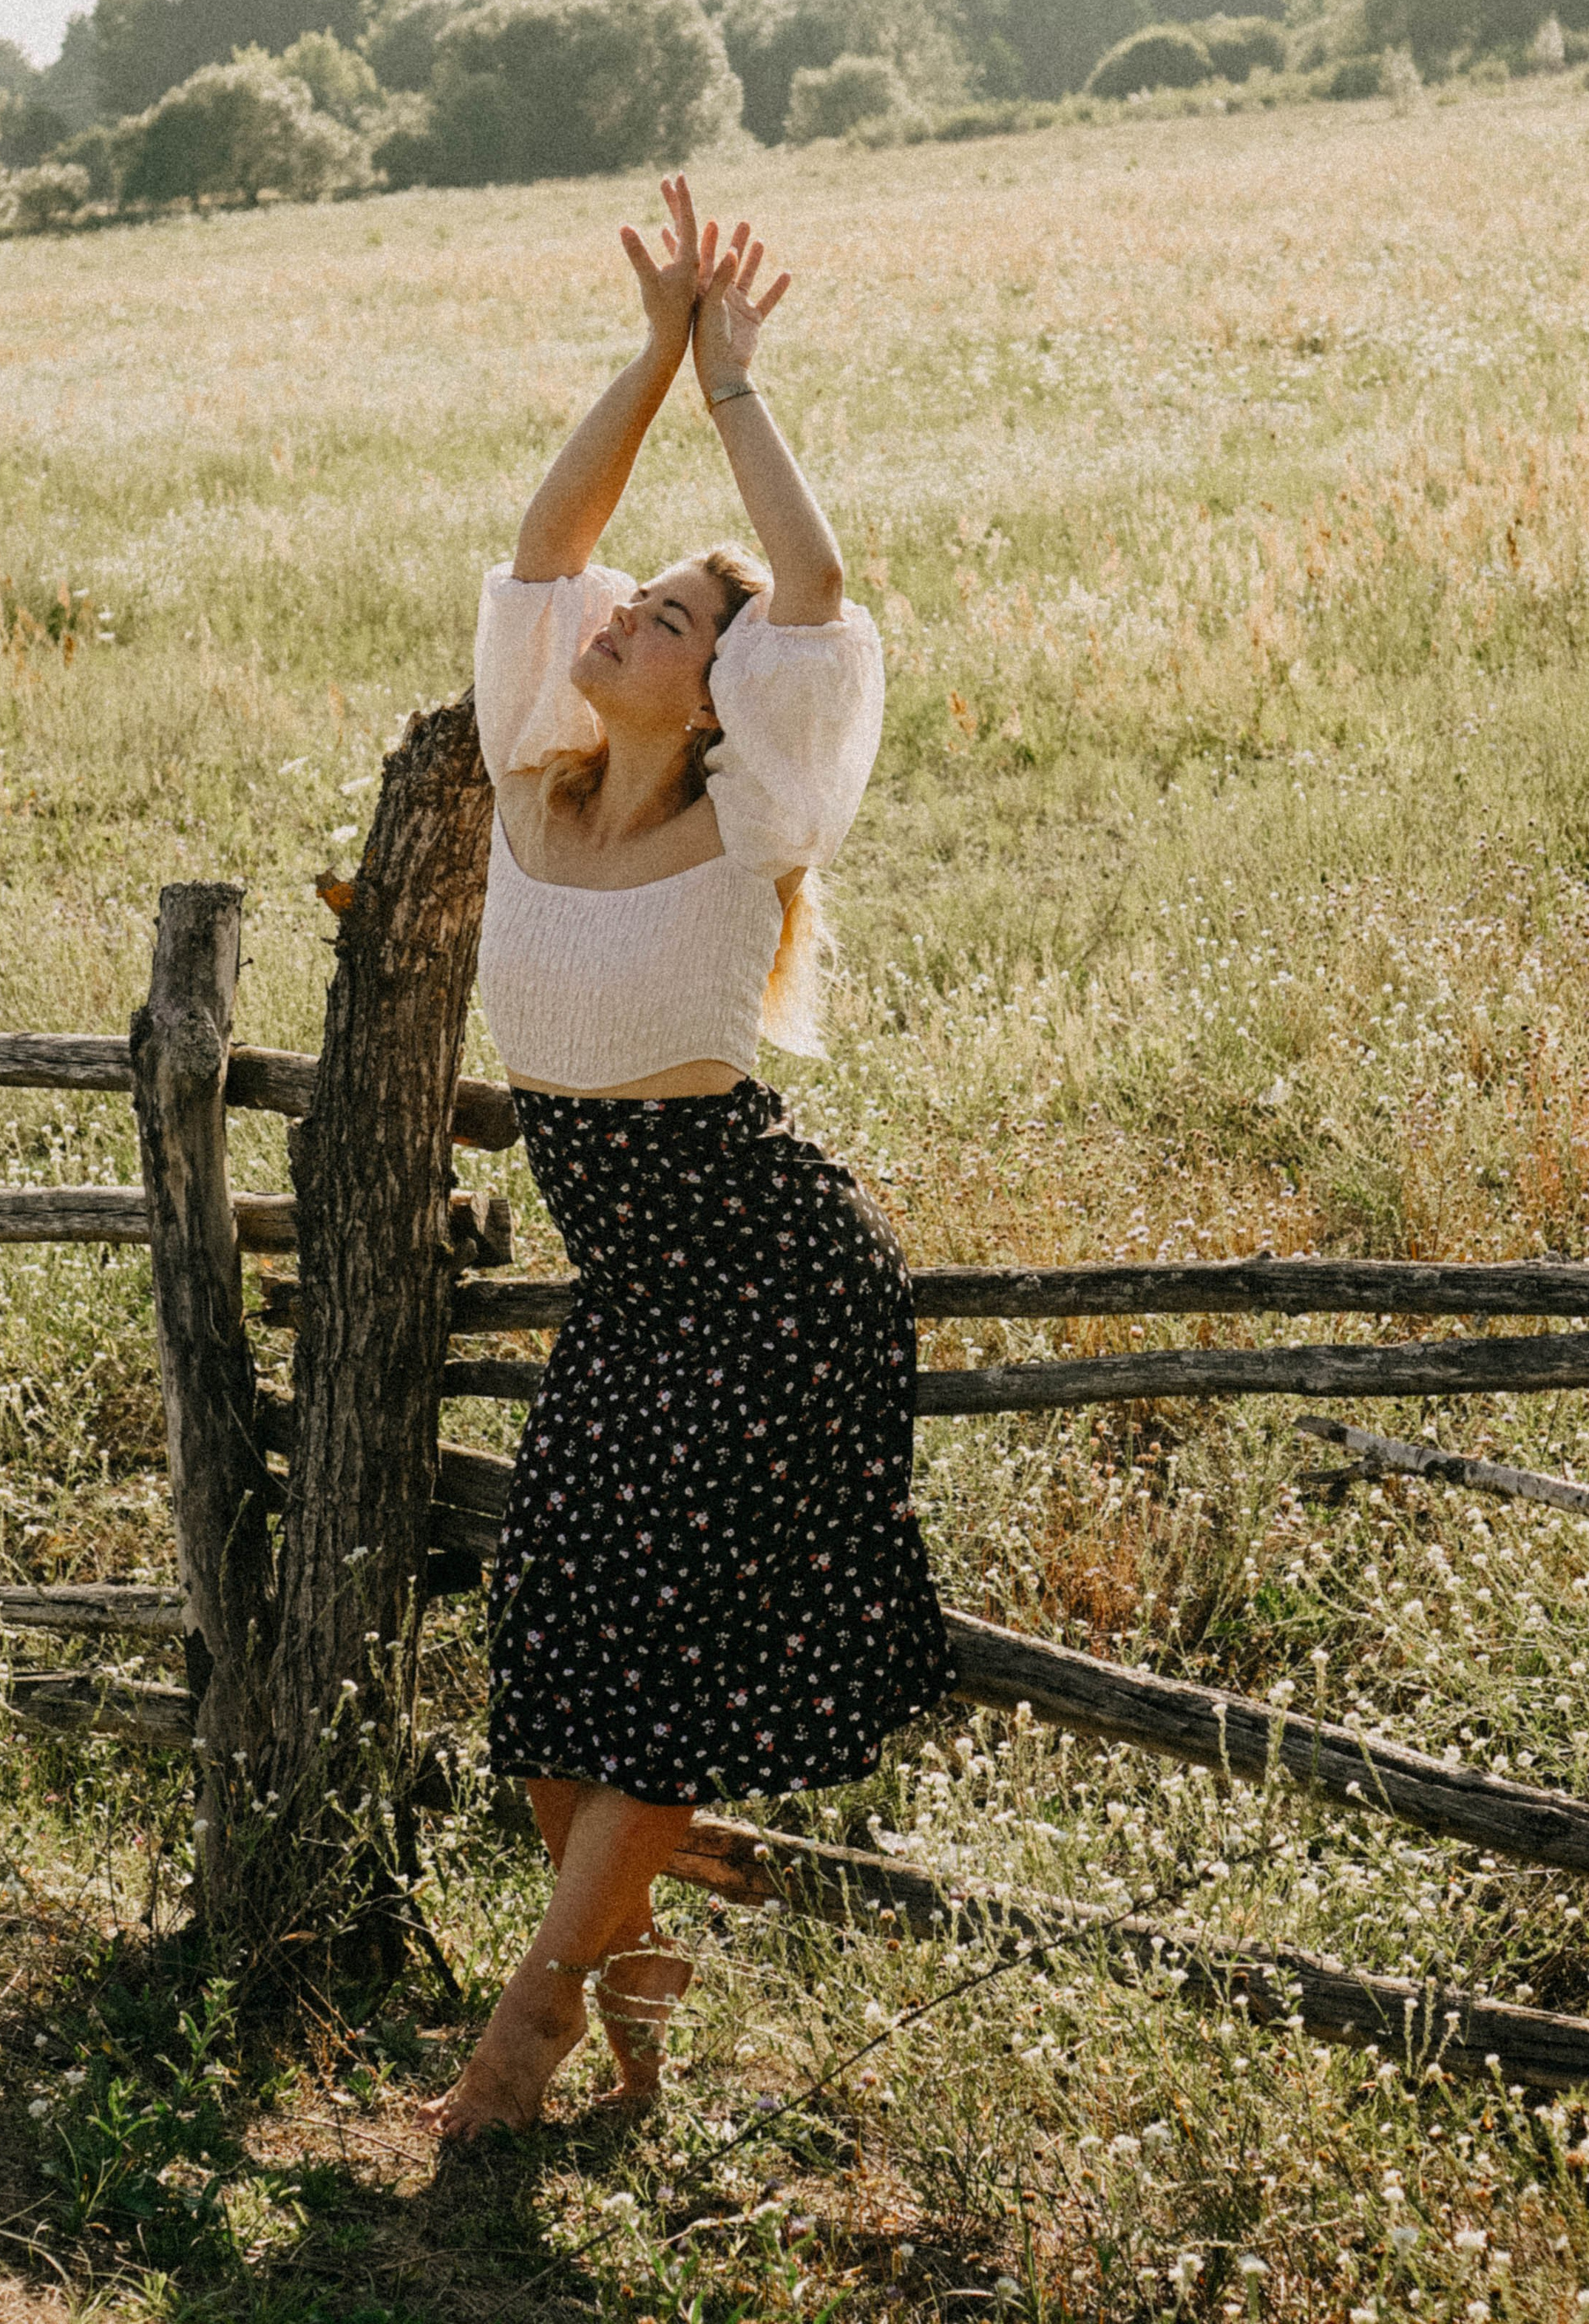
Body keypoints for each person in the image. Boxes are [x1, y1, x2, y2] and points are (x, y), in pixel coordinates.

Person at [417, 176, 955, 2142]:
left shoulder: (748, 826)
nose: (622, 614)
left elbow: (814, 595)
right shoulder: (526, 789)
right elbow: (541, 550)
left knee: (642, 1692)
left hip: (767, 1274)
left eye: (668, 615)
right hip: (644, 1288)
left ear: (727, 692)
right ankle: (637, 1975)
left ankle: (530, 2037)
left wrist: (733, 386)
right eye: (636, 604)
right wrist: (649, 352)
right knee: (551, 1684)